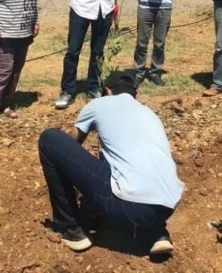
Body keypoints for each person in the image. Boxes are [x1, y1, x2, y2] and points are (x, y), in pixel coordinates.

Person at [38, 74, 184, 255]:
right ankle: (156, 232)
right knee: (130, 164)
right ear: (136, 94)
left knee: (49, 139)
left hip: (129, 208)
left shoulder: (97, 104)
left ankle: (70, 229)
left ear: (106, 91)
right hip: (167, 208)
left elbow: (71, 143)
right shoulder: (149, 113)